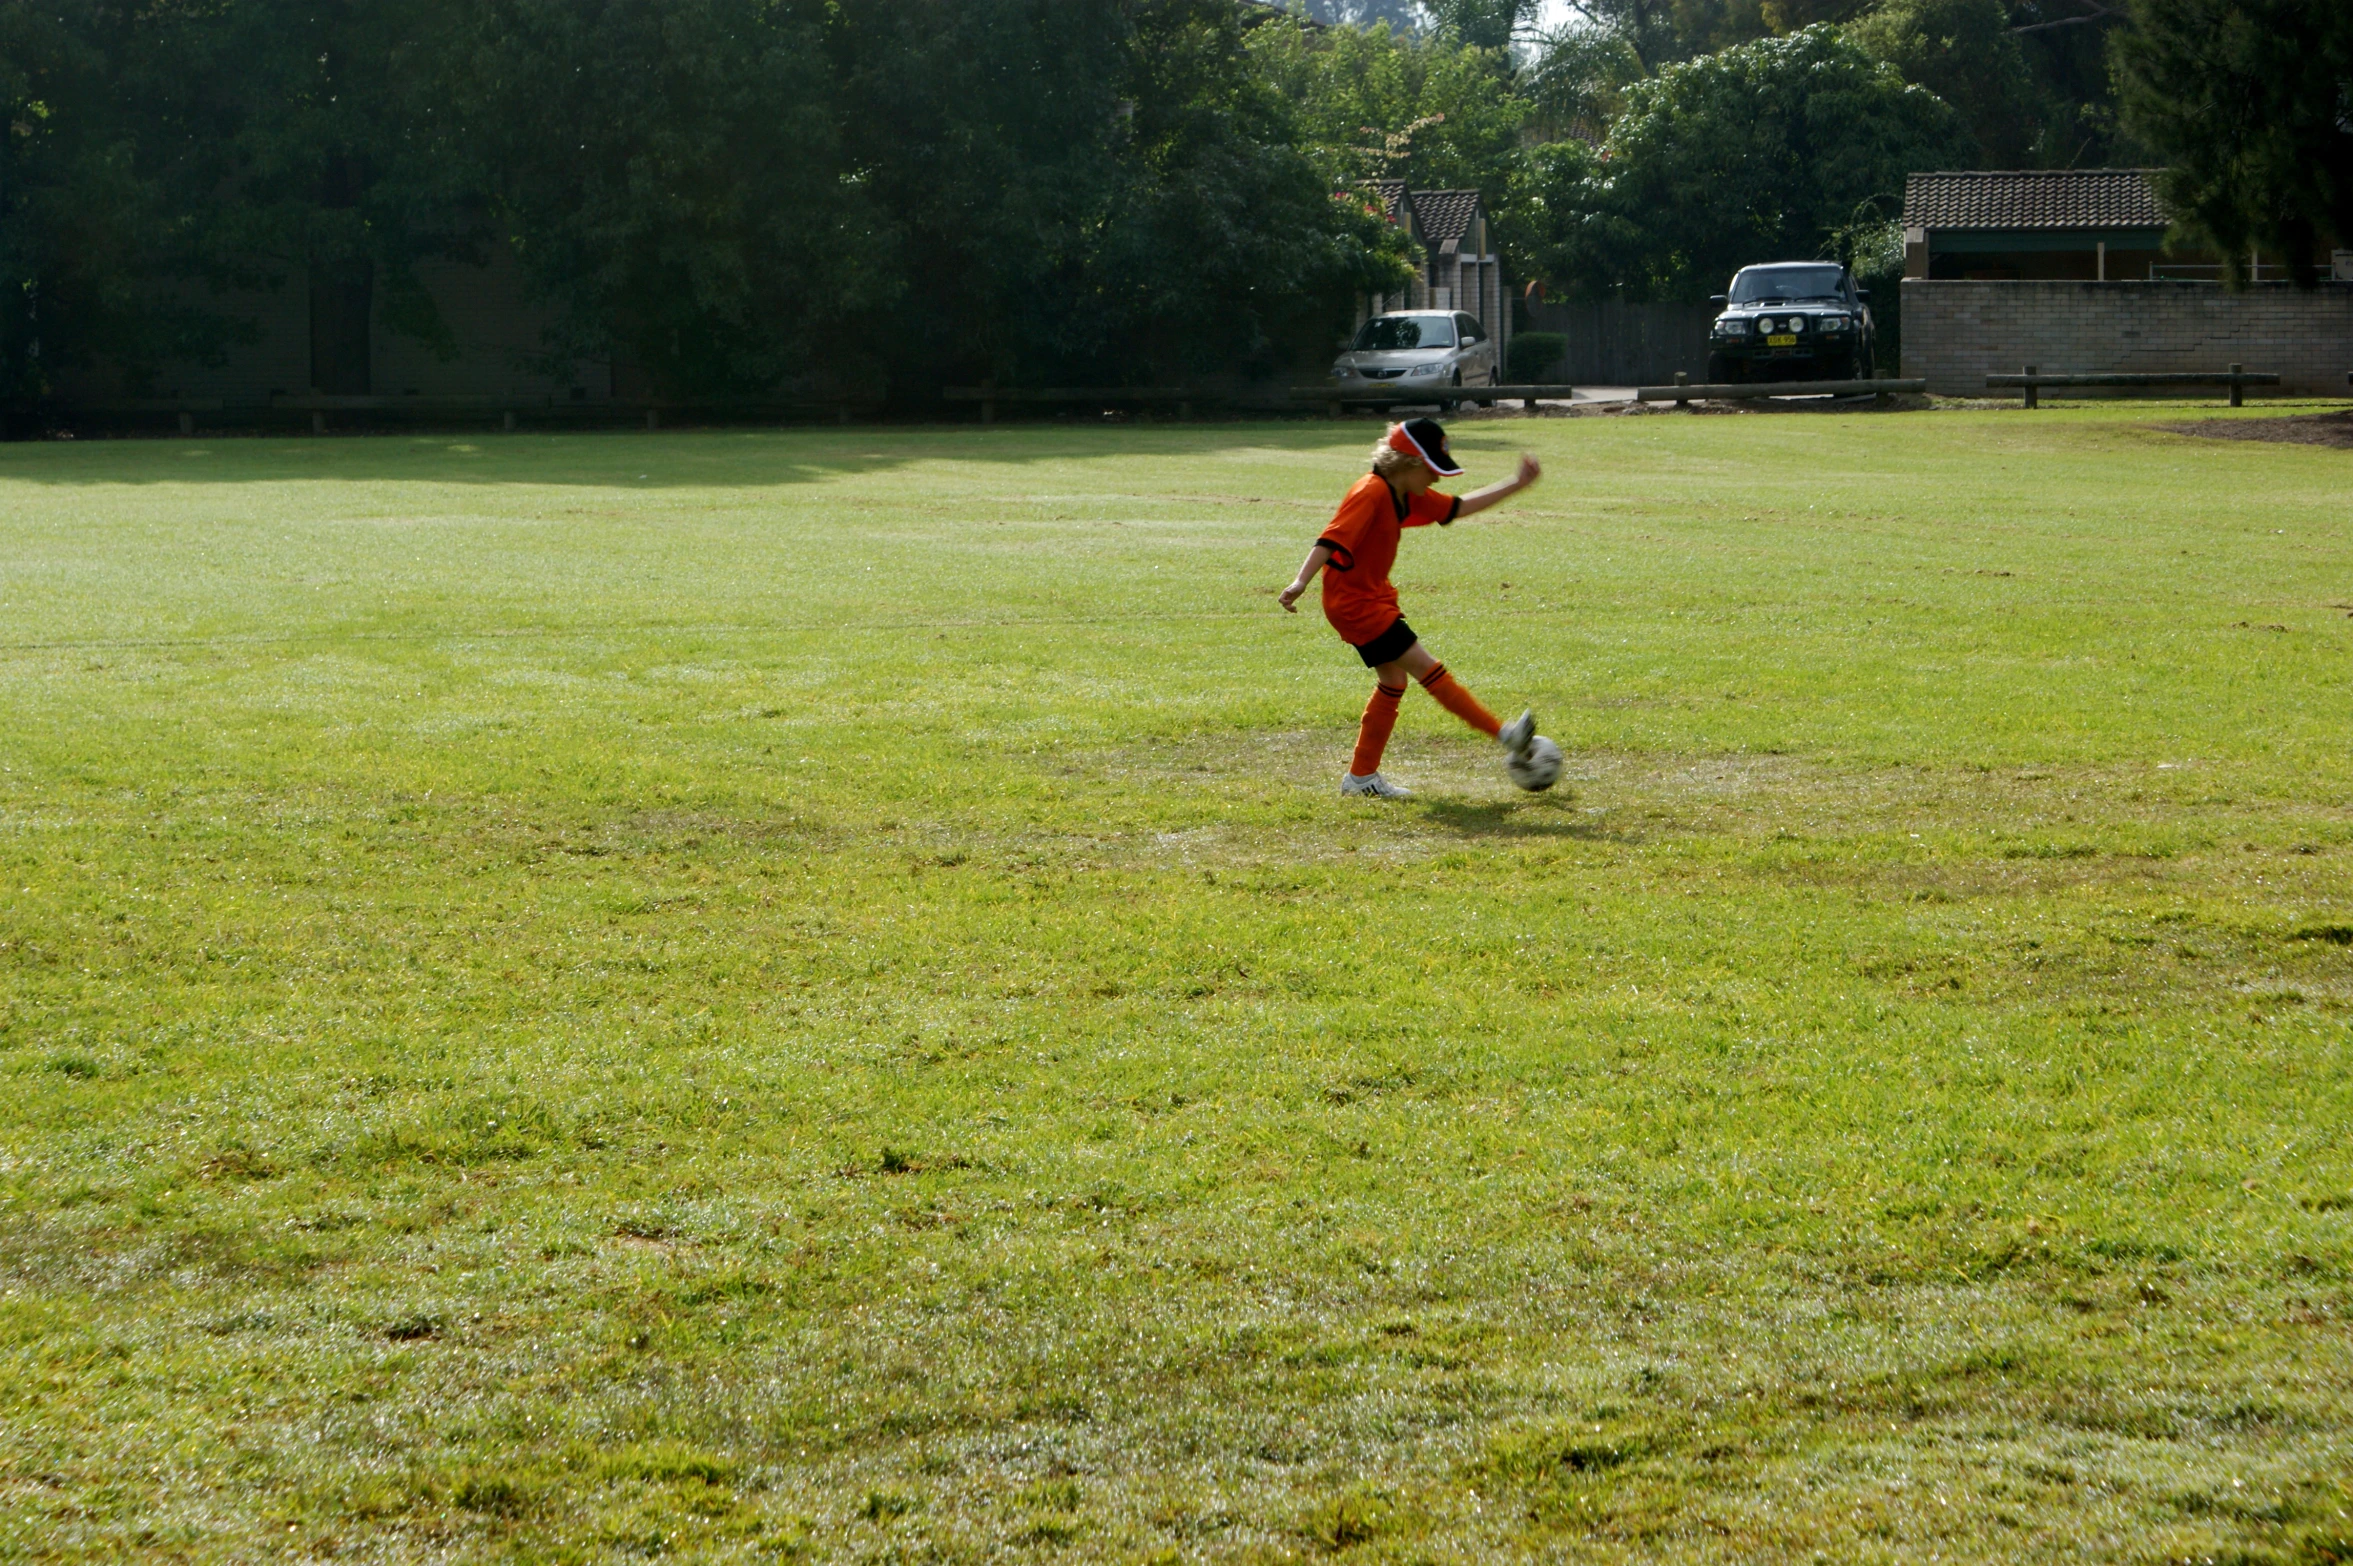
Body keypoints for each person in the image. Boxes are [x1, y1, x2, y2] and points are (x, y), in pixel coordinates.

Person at [1278, 417, 1542, 798]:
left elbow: (1458, 507)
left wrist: (1516, 484)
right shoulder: (1369, 491)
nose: (1437, 480)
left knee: (1394, 681)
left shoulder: (1405, 493)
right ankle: (1505, 735)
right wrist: (1300, 581)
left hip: (1373, 597)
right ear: (1410, 464)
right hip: (1355, 605)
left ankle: (1361, 778)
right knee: (1426, 669)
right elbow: (1330, 540)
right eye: (1433, 471)